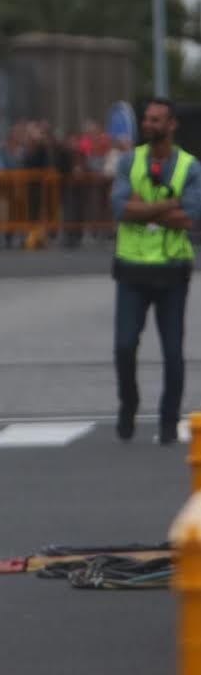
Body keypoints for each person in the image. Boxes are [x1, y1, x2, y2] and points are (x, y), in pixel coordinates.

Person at [110, 98, 201, 444]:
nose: (149, 124)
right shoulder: (129, 162)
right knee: (124, 346)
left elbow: (189, 218)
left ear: (172, 124)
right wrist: (169, 204)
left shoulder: (190, 167)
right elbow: (120, 209)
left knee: (173, 352)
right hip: (132, 270)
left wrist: (142, 207)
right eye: (147, 119)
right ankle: (128, 403)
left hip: (172, 271)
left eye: (156, 119)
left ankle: (167, 420)